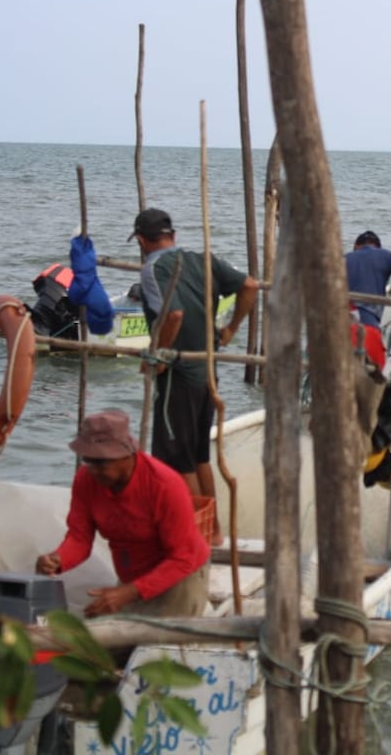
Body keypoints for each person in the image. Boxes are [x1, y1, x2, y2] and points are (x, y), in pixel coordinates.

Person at [130, 208, 259, 545]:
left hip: (179, 375)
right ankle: (213, 532)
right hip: (207, 373)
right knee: (200, 457)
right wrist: (230, 329)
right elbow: (249, 285)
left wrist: (158, 354)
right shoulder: (203, 260)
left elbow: (173, 314)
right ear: (172, 235)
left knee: (177, 459)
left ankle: (193, 537)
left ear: (142, 240)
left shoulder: (152, 269)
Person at [36, 410, 210, 618]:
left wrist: (128, 593)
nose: (93, 470)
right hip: (132, 577)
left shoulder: (164, 485)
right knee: (109, 644)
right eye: (87, 460)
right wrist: (58, 559)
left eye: (101, 462)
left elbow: (183, 556)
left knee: (164, 647)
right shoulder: (86, 480)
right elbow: (79, 537)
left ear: (127, 455)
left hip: (179, 578)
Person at [345, 230, 391, 328]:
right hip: (367, 321)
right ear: (379, 247)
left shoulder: (344, 258)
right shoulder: (389, 256)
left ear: (356, 246)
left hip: (341, 318)